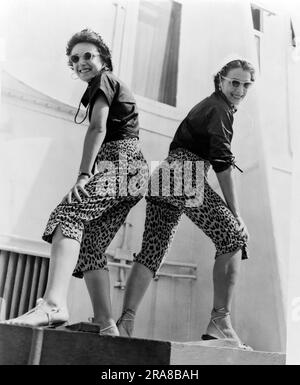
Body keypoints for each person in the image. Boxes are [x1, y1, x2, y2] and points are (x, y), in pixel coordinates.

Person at [2, 29, 148, 336]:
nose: (81, 62)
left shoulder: (104, 80)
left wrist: (84, 174)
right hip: (133, 172)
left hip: (122, 163)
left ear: (104, 59)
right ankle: (107, 325)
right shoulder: (102, 84)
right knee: (92, 245)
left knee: (67, 215)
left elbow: (97, 127)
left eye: (88, 56)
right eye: (75, 59)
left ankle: (53, 303)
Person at [117, 57, 255, 349]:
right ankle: (220, 320)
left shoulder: (214, 105)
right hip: (182, 175)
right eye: (234, 83)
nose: (240, 90)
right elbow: (222, 162)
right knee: (234, 237)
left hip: (165, 175)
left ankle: (125, 322)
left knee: (153, 251)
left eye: (246, 85)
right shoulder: (220, 108)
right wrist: (236, 213)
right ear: (221, 80)